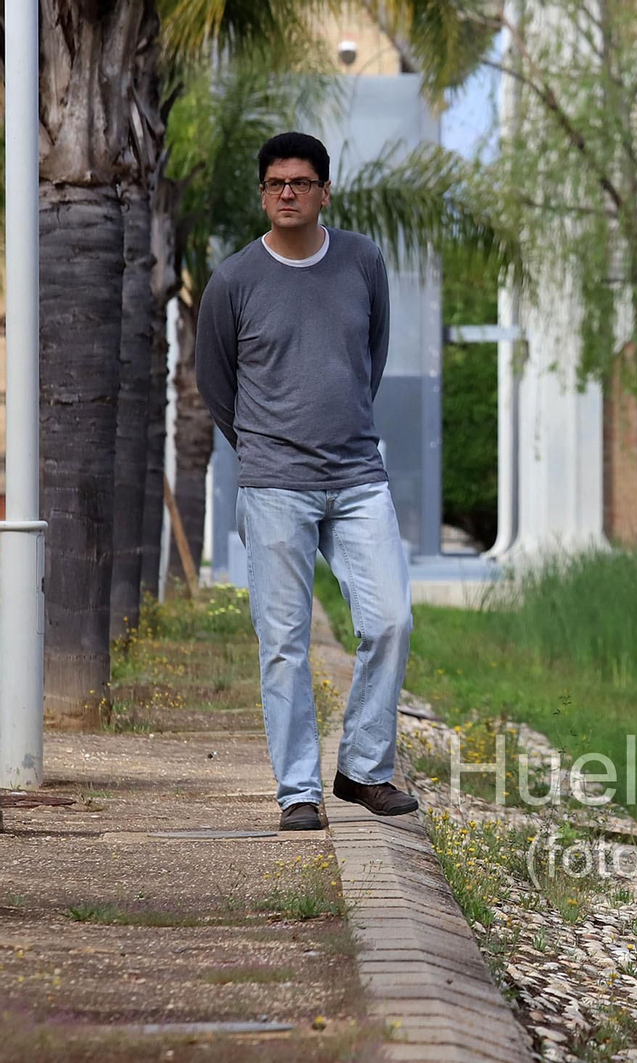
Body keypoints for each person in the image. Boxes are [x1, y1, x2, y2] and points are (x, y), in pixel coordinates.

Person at [197, 131, 419, 832]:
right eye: (275, 183)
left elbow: (370, 356)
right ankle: (298, 790)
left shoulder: (362, 260)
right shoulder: (234, 280)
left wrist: (340, 423)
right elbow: (215, 381)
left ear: (325, 191)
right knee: (284, 642)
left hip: (357, 475)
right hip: (274, 485)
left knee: (390, 620)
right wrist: (262, 449)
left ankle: (363, 770)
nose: (287, 193)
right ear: (263, 193)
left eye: (300, 182)